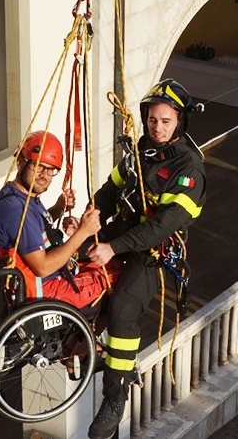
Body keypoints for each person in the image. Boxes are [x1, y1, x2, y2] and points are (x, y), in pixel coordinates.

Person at [87, 79, 206, 439]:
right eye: (152, 120)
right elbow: (110, 191)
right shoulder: (141, 151)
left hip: (153, 253)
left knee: (123, 308)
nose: (157, 128)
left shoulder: (189, 169)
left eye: (166, 121)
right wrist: (88, 220)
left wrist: (112, 248)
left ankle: (115, 398)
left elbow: (160, 227)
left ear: (180, 122)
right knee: (71, 259)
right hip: (123, 233)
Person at [0, 130, 121, 310]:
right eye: (38, 166)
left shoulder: (18, 196)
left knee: (111, 262)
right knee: (122, 276)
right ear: (20, 162)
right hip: (47, 289)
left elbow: (32, 228)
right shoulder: (16, 210)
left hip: (53, 276)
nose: (44, 175)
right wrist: (83, 232)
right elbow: (43, 267)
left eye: (51, 170)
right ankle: (92, 329)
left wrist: (58, 208)